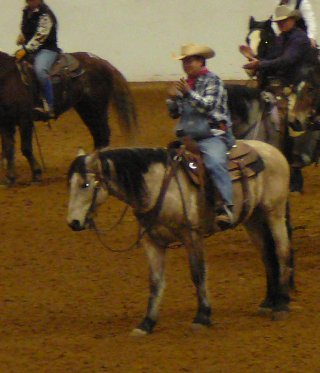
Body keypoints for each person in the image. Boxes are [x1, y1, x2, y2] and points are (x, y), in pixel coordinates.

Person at [166, 43, 235, 229]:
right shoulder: (185, 84)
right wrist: (172, 100)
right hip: (188, 137)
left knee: (214, 162)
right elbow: (175, 113)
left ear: (201, 61)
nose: (186, 65)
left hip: (212, 135)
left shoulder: (213, 80)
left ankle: (226, 206)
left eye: (190, 61)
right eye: (184, 61)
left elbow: (208, 106)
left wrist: (187, 93)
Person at [243, 5, 317, 89]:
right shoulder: (281, 38)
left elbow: (286, 60)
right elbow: (273, 55)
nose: (281, 24)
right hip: (289, 79)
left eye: (284, 21)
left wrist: (259, 64)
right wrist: (256, 59)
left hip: (302, 82)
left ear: (292, 20)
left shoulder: (299, 38)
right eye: (279, 22)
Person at [15, 0, 60, 119]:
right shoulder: (26, 12)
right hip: (32, 49)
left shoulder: (46, 15)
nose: (30, 1)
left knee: (40, 71)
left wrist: (26, 50)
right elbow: (26, 29)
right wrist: (22, 37)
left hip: (47, 50)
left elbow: (40, 36)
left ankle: (49, 105)